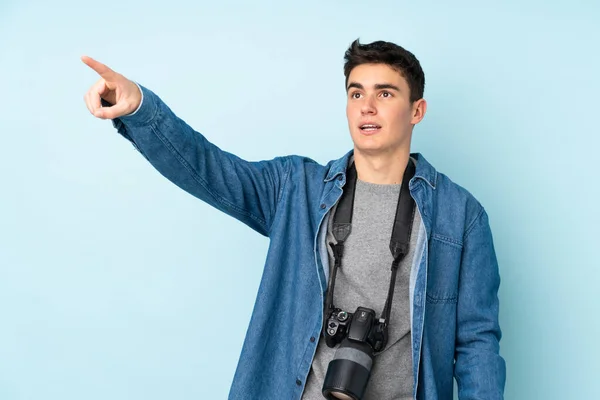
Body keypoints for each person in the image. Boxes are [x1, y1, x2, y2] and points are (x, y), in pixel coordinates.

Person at [82, 39, 506, 400]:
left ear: (417, 110)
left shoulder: (460, 216)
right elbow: (207, 169)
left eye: (385, 94)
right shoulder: (297, 188)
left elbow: (477, 344)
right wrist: (140, 109)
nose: (367, 107)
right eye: (356, 94)